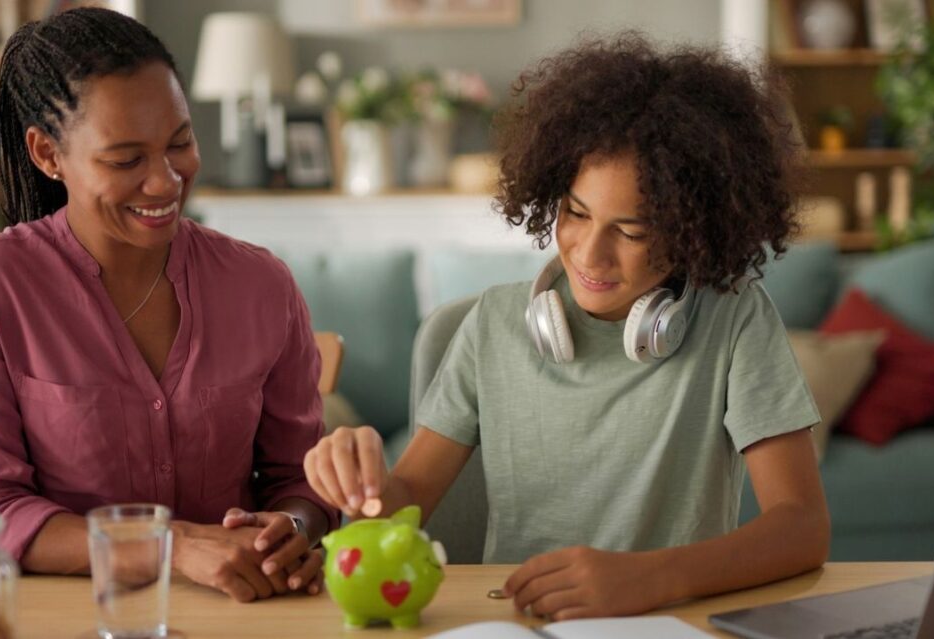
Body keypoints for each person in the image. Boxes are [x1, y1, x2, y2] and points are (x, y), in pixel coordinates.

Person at [304, 33, 830, 620]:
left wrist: (650, 577)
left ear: (693, 230)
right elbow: (404, 507)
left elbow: (802, 528)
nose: (591, 255)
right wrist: (363, 483)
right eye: (575, 214)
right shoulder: (492, 325)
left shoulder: (735, 320)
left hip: (670, 623)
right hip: (521, 623)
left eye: (631, 232)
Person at [0, 7, 336, 603]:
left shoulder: (261, 284)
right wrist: (170, 546)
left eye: (180, 142)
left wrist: (289, 531)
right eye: (126, 160)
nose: (166, 181)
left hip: (243, 614)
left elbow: (298, 479)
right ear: (47, 155)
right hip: (66, 616)